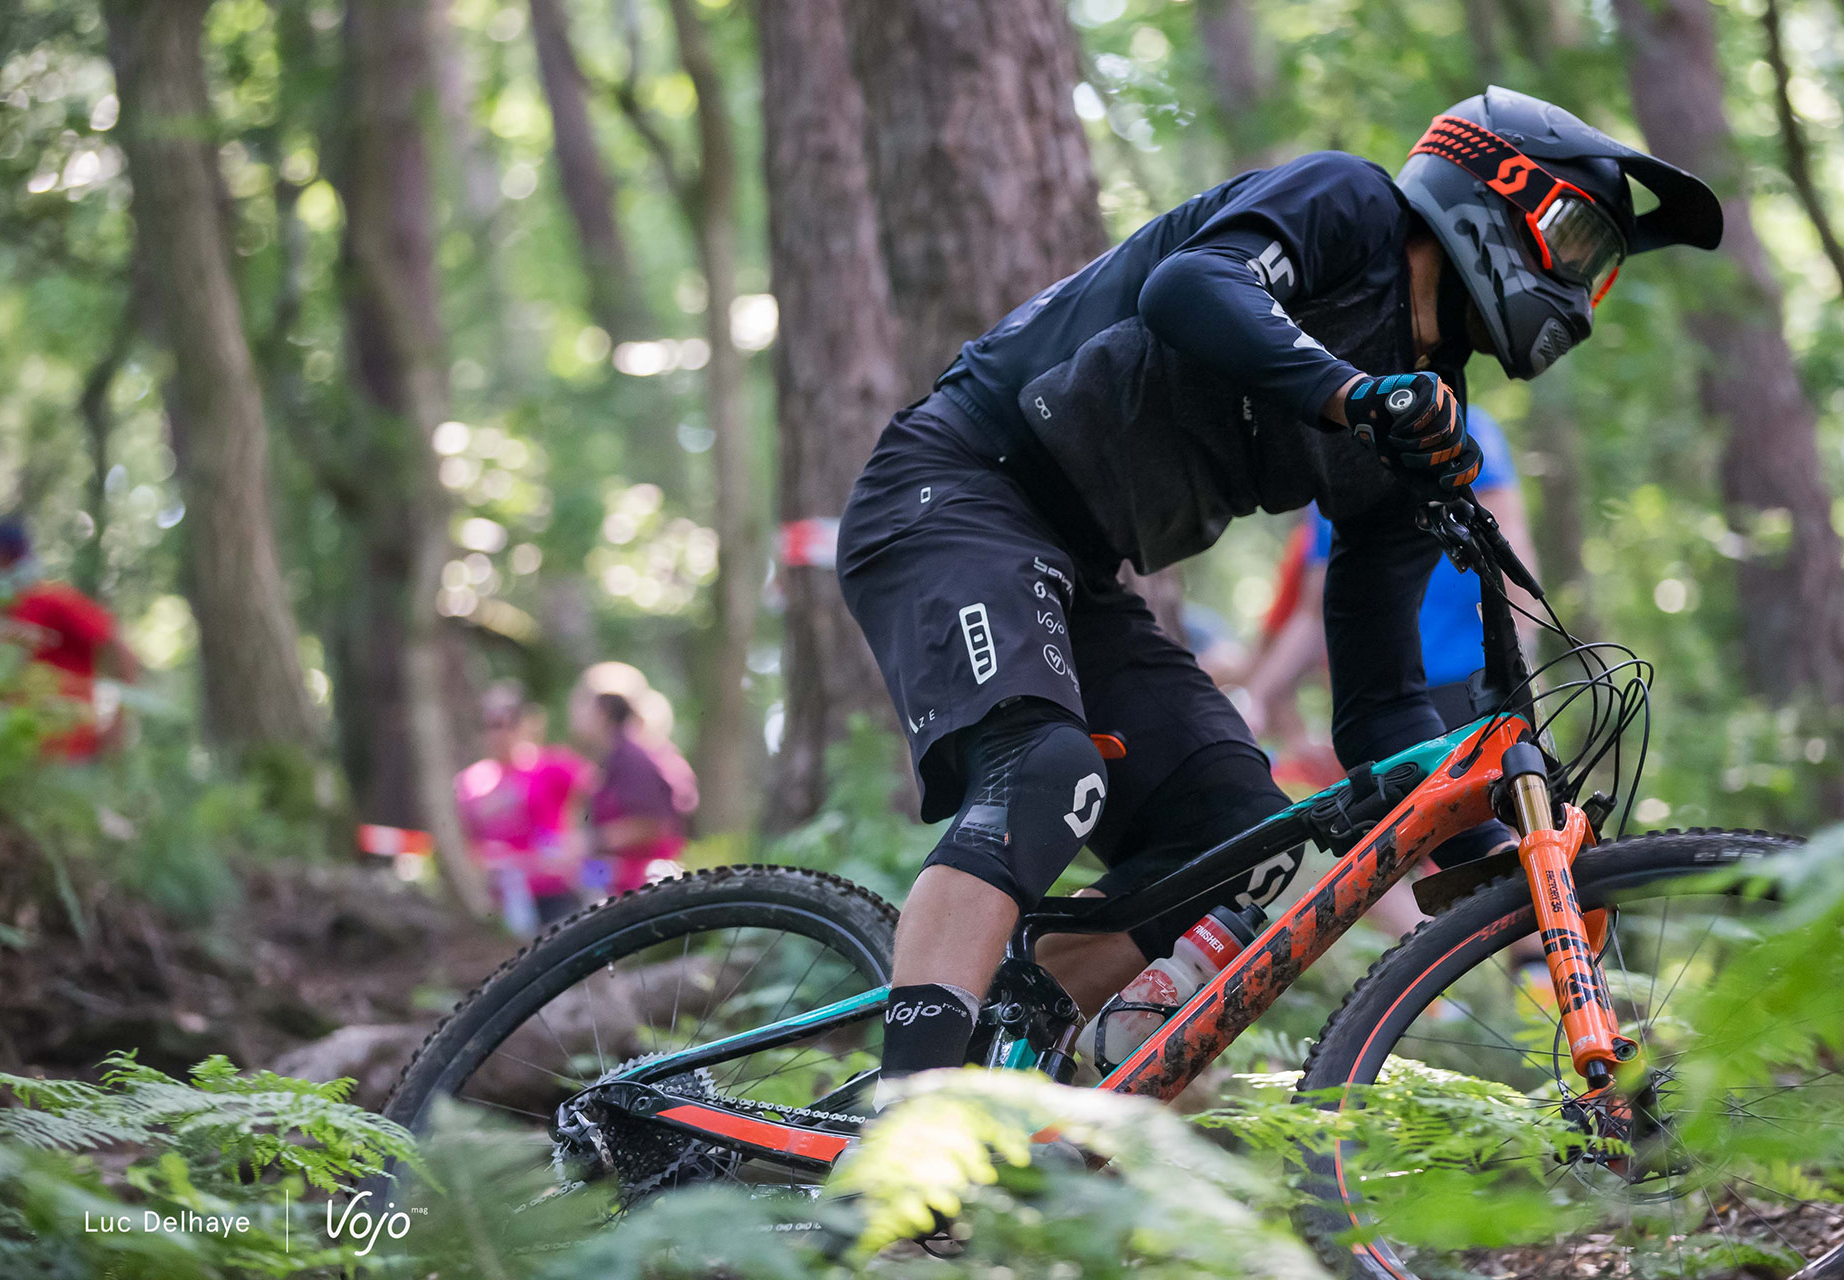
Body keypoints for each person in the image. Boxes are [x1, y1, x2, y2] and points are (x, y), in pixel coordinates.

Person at [834, 87, 1721, 1102]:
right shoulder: (1349, 205)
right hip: (956, 486)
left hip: (1077, 567)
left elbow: (1381, 710)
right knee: (1041, 765)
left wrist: (1497, 837)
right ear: (1496, 185)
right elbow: (1189, 287)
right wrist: (1352, 394)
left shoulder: (1428, 421)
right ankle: (906, 1122)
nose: (1581, 291)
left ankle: (1001, 1034)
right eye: (1576, 244)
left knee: (1238, 838)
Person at [1240, 406, 1539, 793]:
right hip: (1381, 701)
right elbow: (1312, 617)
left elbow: (1505, 547)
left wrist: (1521, 659)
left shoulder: (1454, 423)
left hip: (1471, 683)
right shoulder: (1332, 460)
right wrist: (1253, 701)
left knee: (1498, 811)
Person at [0, 515, 140, 760]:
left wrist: (118, 724)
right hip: (21, 752)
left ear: (8, 558)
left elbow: (121, 650)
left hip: (72, 750)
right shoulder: (4, 612)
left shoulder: (53, 599)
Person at [456, 682, 592, 933]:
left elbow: (597, 797)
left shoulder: (554, 766)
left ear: (524, 723)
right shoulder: (471, 782)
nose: (499, 734)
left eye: (507, 724)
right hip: (503, 896)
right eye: (491, 726)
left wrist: (577, 843)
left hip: (556, 890)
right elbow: (469, 843)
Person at [568, 687, 692, 894]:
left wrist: (590, 842)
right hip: (624, 886)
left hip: (647, 886)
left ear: (604, 713)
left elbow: (650, 824)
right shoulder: (612, 757)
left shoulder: (632, 758)